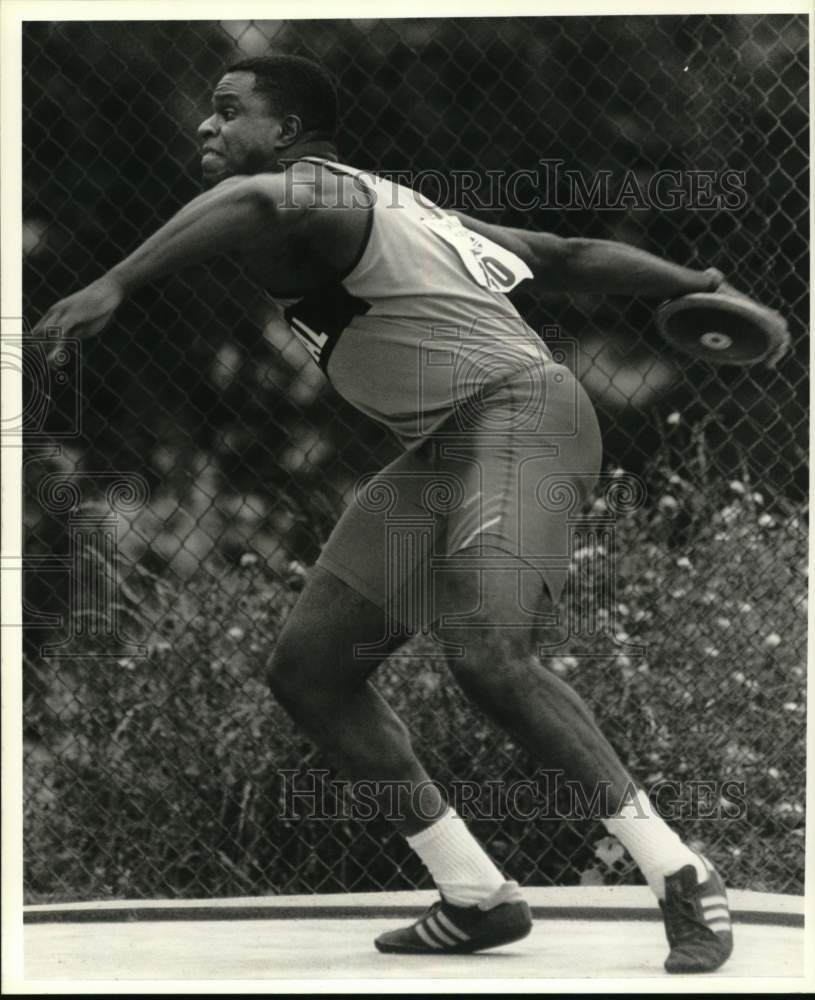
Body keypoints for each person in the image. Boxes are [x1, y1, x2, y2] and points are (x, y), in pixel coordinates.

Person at [35, 53, 740, 973]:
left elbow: (252, 206)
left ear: (285, 132)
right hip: (447, 446)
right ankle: (475, 894)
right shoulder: (411, 208)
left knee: (489, 653)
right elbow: (564, 259)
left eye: (227, 111)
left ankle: (679, 871)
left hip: (524, 413)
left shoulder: (307, 192)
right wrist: (690, 279)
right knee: (312, 672)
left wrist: (113, 284)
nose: (206, 128)